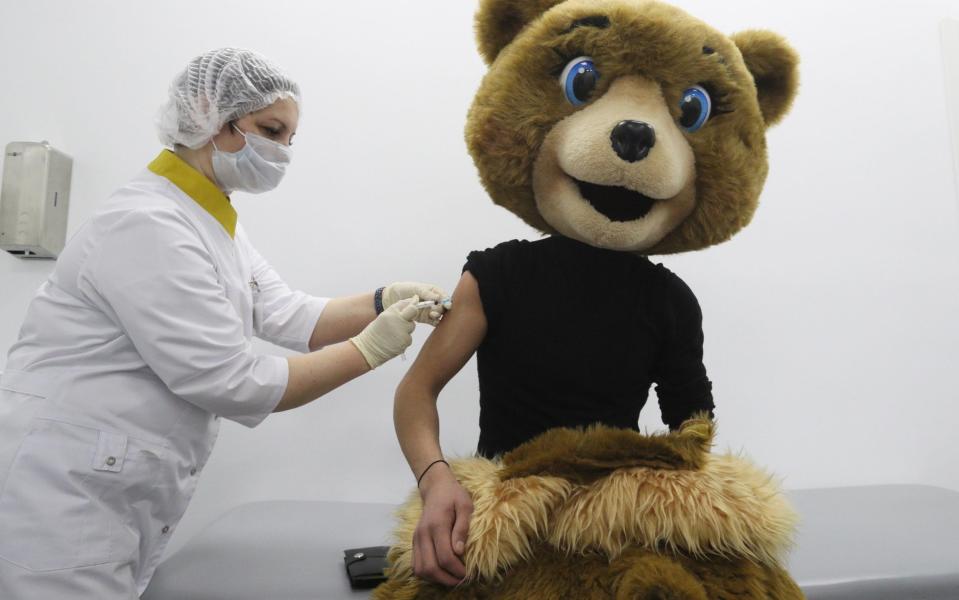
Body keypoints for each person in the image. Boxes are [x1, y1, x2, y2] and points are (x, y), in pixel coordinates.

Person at [0, 47, 446, 598]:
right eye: (270, 129)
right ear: (212, 114)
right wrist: (370, 349)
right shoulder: (146, 224)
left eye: (289, 138)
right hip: (65, 487)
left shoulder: (211, 221)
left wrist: (383, 299)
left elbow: (285, 312)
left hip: (116, 485)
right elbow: (232, 383)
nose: (282, 151)